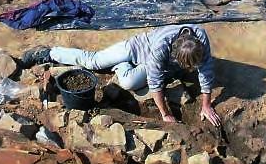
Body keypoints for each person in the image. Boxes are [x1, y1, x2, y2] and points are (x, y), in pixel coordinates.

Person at [22, 24, 222, 127]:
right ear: (174, 53)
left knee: (128, 82)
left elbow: (206, 71)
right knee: (95, 61)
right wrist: (165, 114)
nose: (191, 69)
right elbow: (155, 84)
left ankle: (121, 67)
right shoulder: (162, 47)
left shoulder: (200, 39)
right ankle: (50, 52)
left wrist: (206, 104)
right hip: (137, 48)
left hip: (160, 64)